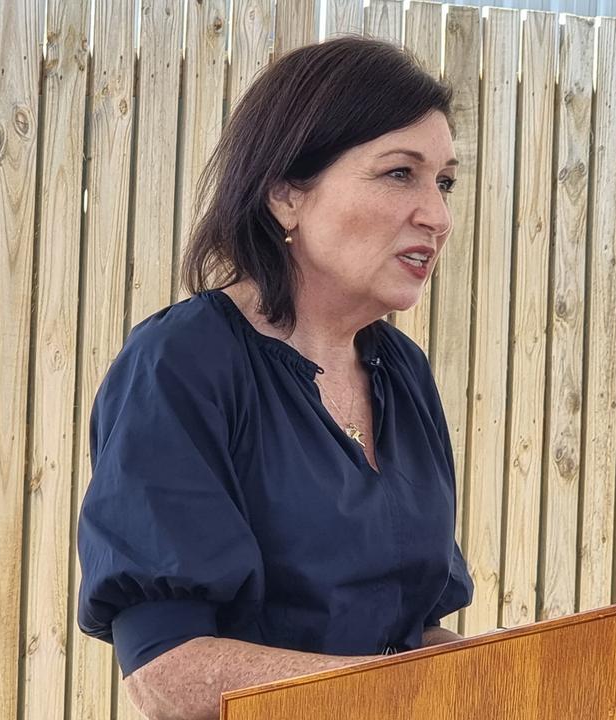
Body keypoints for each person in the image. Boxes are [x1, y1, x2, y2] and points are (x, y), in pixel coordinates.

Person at [76, 36, 474, 720]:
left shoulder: (402, 372)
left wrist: (526, 668)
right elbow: (168, 673)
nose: (436, 216)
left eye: (444, 182)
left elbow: (413, 636)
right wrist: (405, 693)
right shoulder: (183, 364)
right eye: (399, 174)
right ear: (285, 193)